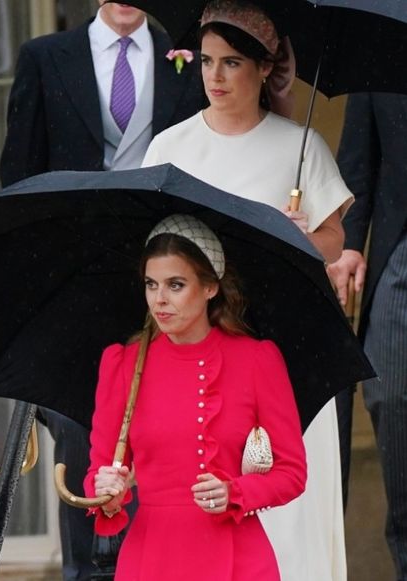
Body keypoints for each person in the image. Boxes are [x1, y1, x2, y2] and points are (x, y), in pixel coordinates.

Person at [141, 1, 353, 578]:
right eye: (207, 61)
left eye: (231, 63)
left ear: (264, 69)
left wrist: (302, 238)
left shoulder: (301, 145)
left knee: (287, 503)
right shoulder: (169, 148)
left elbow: (334, 239)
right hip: (198, 354)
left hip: (285, 342)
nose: (215, 76)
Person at [0, 3, 203, 576]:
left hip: (162, 272)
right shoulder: (44, 57)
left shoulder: (187, 60)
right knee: (79, 424)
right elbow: (18, 178)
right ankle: (88, 568)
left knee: (162, 423)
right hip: (72, 277)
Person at [85, 213, 307, 580]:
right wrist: (106, 492)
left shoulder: (256, 360)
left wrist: (236, 491)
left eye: (175, 285)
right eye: (151, 284)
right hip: (151, 558)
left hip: (238, 558)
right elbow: (101, 470)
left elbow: (292, 472)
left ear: (210, 288)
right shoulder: (123, 364)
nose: (159, 300)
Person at [329, 92, 407, 579]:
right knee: (389, 394)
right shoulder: (381, 51)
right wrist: (350, 243)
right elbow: (359, 156)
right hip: (401, 248)